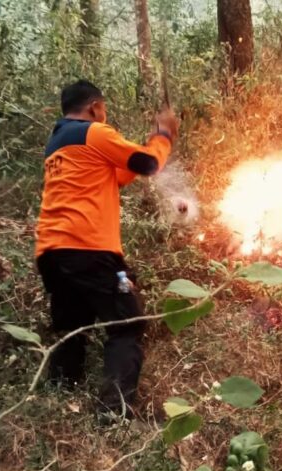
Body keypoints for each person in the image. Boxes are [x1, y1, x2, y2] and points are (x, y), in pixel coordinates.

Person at [35, 80, 179, 416]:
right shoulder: (93, 133)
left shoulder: (58, 144)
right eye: (104, 109)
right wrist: (164, 136)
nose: (105, 115)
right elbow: (147, 164)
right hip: (88, 248)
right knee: (128, 323)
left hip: (52, 252)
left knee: (73, 327)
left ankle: (59, 398)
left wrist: (153, 141)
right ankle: (114, 411)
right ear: (95, 107)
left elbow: (120, 174)